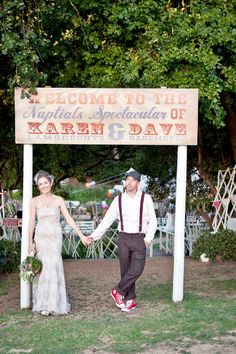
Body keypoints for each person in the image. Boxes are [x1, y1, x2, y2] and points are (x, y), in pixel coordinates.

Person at [86, 169, 157, 312]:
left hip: (139, 238)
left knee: (137, 269)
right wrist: (93, 236)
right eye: (127, 180)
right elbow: (107, 220)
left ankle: (118, 291)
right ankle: (129, 300)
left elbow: (153, 221)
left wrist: (148, 239)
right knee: (126, 271)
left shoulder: (146, 198)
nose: (129, 182)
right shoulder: (118, 200)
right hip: (123, 237)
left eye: (132, 180)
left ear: (138, 182)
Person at [28, 170, 87, 316]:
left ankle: (54, 303)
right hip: (41, 238)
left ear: (51, 183)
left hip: (55, 238)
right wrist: (30, 242)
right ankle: (43, 304)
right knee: (43, 268)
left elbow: (69, 219)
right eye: (40, 184)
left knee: (53, 266)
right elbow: (30, 223)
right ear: (38, 186)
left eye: (45, 183)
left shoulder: (59, 200)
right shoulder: (34, 201)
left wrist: (81, 235)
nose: (43, 186)